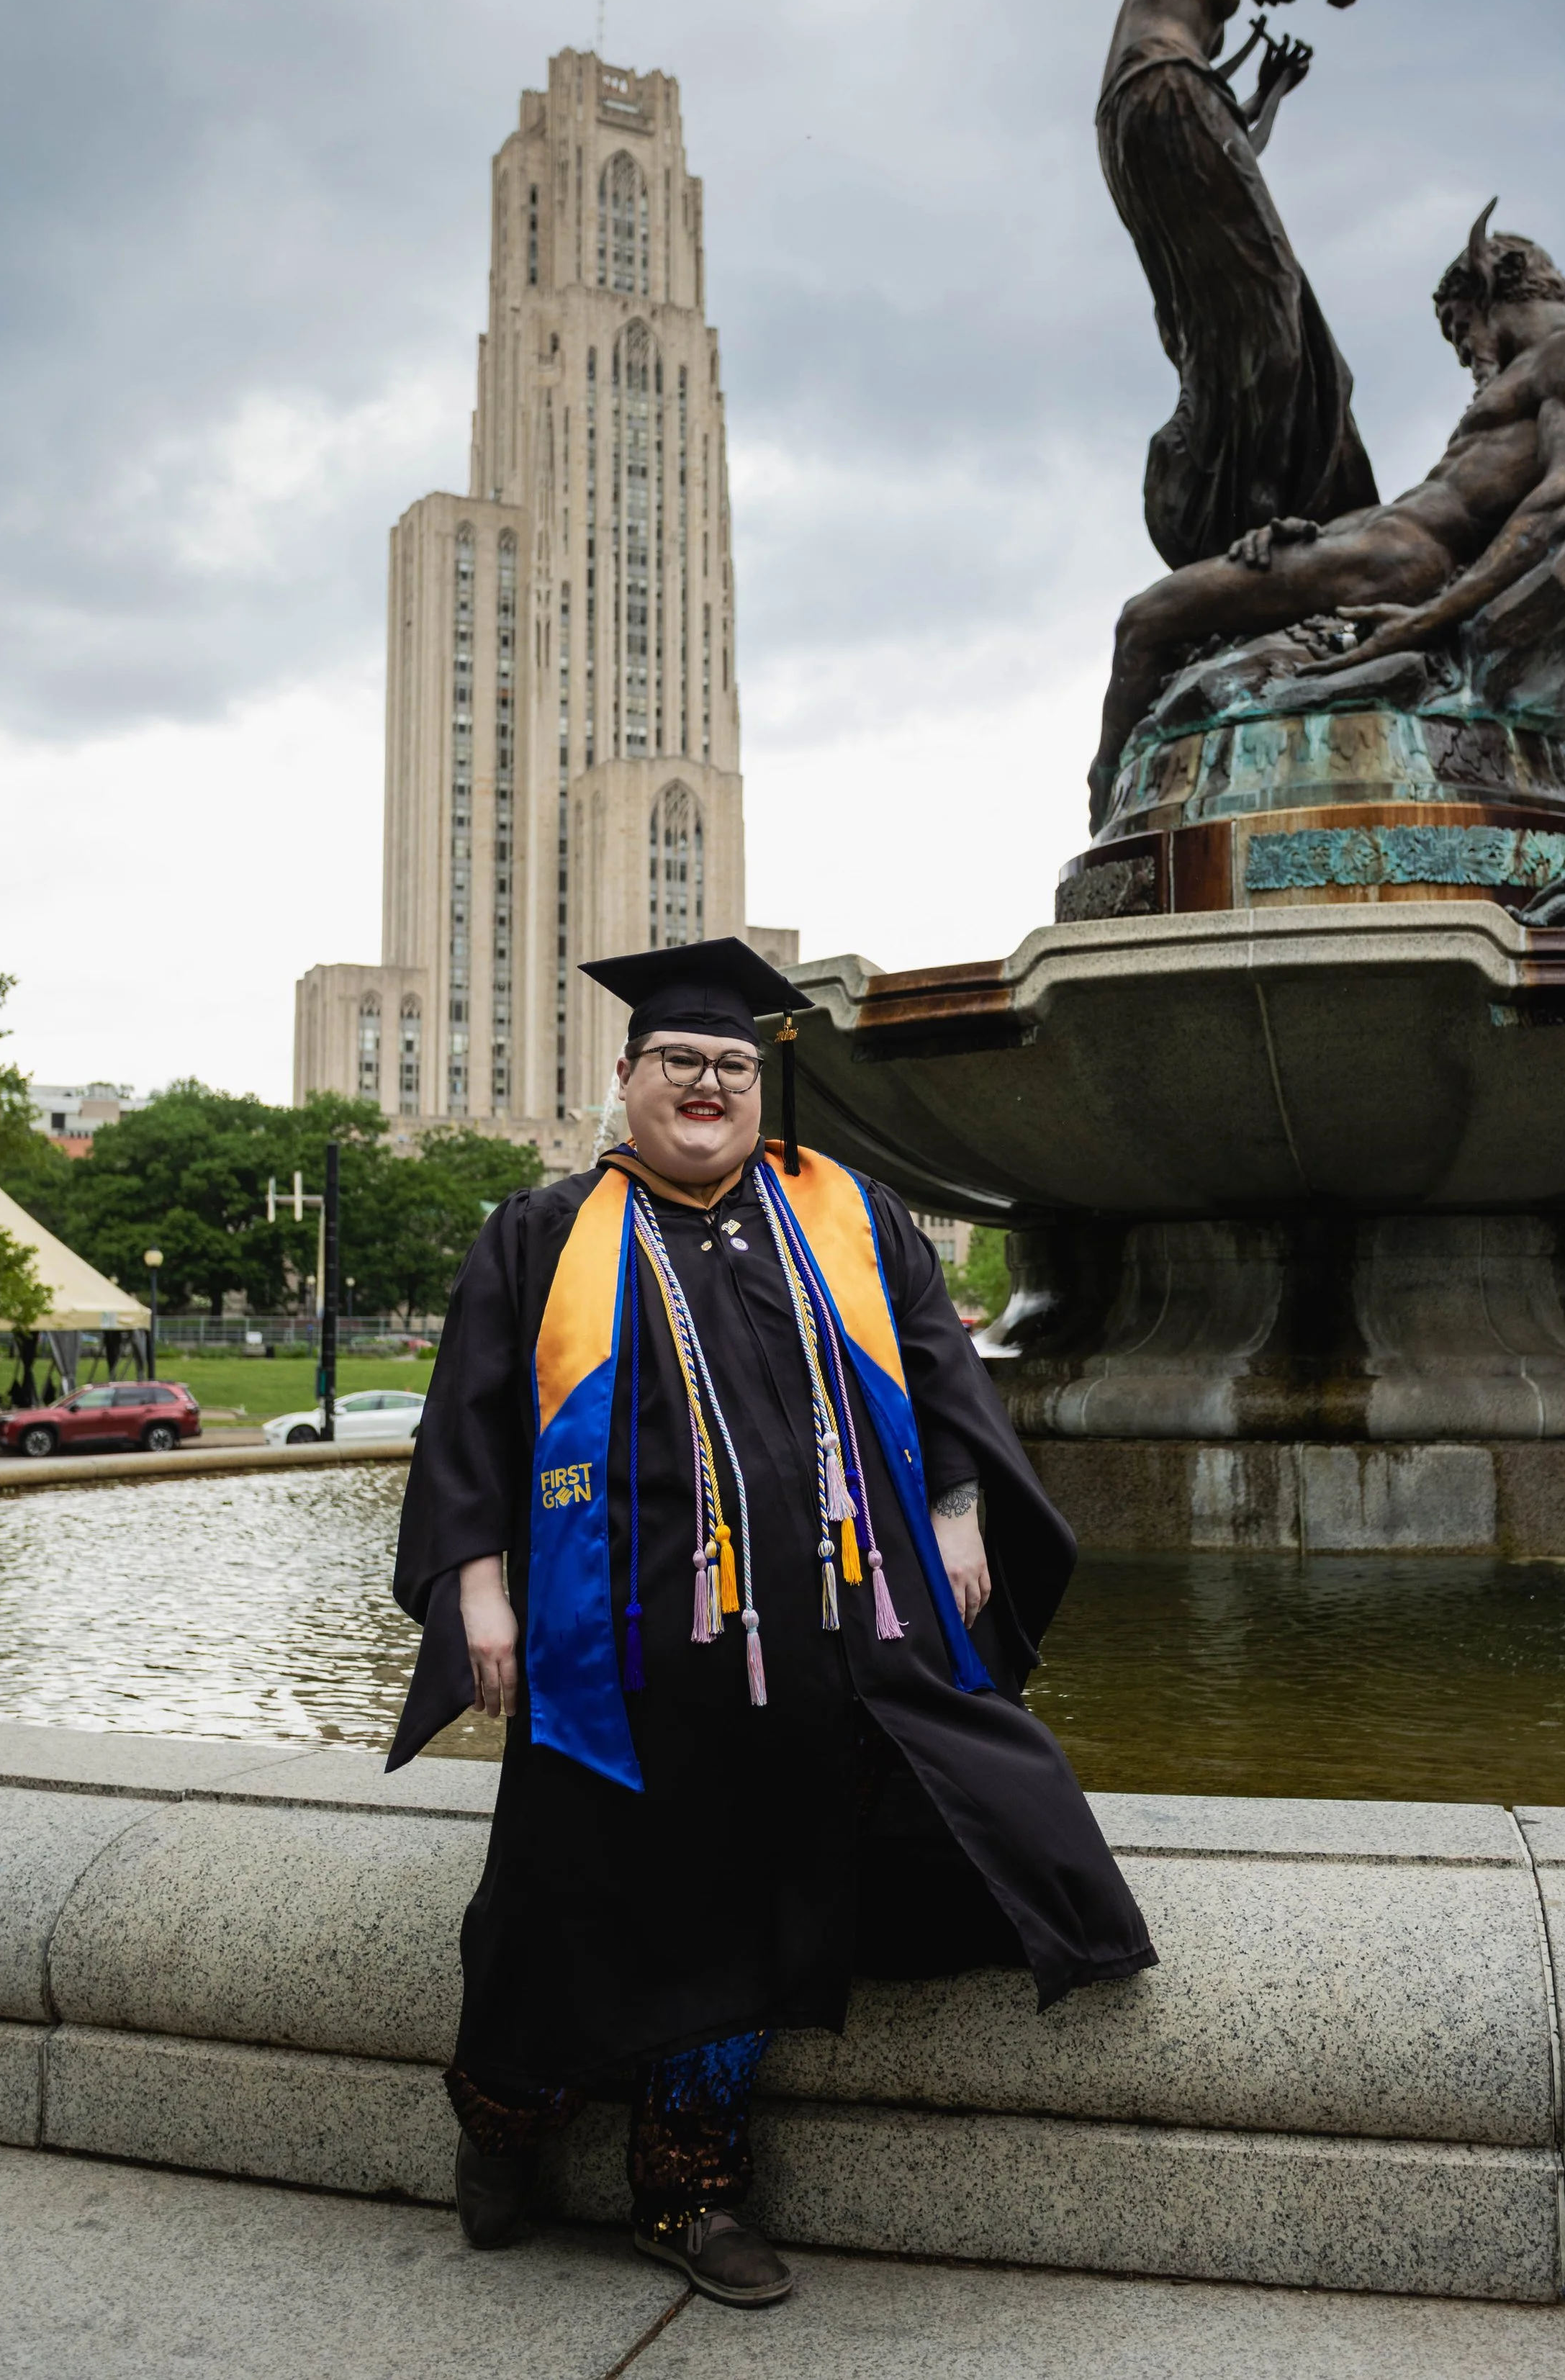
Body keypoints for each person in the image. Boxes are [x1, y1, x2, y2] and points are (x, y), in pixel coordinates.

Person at [387, 937, 1155, 2309]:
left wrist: (966, 1504)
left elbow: (938, 1374)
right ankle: (505, 2119)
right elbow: (466, 1431)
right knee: (554, 1915)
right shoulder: (544, 1234)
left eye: (734, 1066)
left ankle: (690, 2192)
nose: (708, 1085)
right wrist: (477, 1587)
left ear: (762, 1085)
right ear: (625, 1078)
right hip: (613, 1658)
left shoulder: (846, 1219)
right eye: (680, 1061)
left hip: (820, 1647)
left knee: (754, 1917)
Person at [1088, 205, 1565, 820]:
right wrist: (1316, 533)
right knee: (1160, 628)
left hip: (1399, 567)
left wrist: (1429, 619)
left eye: (1459, 329)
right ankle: (1123, 810)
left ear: (1485, 286)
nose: (1463, 352)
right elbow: (1430, 506)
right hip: (1377, 546)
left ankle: (1105, 803)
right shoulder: (1534, 373)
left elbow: (1561, 502)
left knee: (1144, 621)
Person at [1099, 0, 1379, 585]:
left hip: (1147, 123)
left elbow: (1234, 155)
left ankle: (1232, 500)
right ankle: (1257, 517)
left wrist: (1267, 94)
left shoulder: (1204, 43)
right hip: (1162, 97)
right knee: (1275, 296)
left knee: (1230, 329)